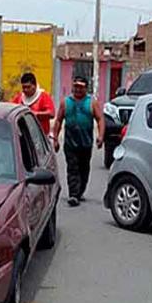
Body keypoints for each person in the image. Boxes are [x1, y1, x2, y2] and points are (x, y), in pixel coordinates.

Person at [52, 76, 105, 207]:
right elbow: (58, 120)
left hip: (85, 143)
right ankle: (73, 194)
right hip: (70, 143)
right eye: (76, 86)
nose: (78, 89)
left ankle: (79, 191)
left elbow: (100, 120)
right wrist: (55, 139)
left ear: (86, 88)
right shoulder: (66, 102)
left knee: (84, 169)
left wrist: (101, 136)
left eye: (81, 87)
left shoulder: (91, 103)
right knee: (72, 168)